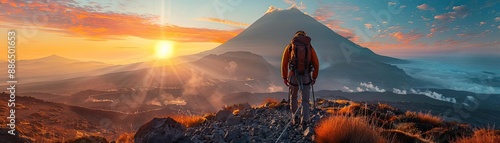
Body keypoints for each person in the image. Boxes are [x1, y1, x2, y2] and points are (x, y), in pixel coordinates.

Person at [281, 30, 319, 127]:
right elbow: (316, 63)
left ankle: (295, 118)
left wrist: (284, 77)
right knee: (305, 100)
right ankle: (305, 120)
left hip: (294, 75)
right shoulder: (309, 47)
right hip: (306, 75)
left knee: (293, 97)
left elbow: (284, 63)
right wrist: (314, 77)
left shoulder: (290, 47)